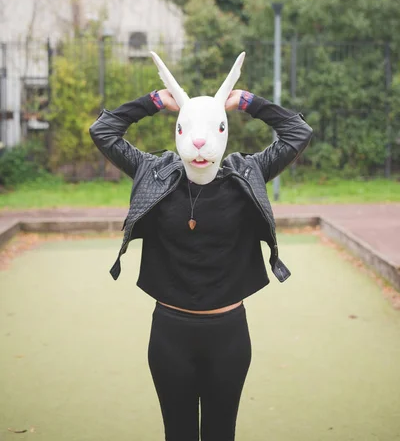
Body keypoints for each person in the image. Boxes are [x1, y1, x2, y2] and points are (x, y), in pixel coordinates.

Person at [89, 51, 313, 441]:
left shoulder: (247, 173)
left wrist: (248, 102)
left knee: (220, 433)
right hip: (170, 333)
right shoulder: (153, 171)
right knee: (177, 433)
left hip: (228, 334)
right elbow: (104, 132)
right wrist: (154, 101)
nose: (198, 141)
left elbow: (297, 133)